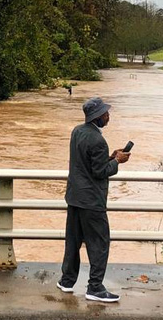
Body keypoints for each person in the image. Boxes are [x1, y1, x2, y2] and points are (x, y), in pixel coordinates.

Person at [56, 97, 130, 303]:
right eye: (105, 114)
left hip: (74, 197)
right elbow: (99, 172)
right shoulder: (98, 140)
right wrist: (116, 161)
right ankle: (95, 287)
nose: (108, 116)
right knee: (99, 243)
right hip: (91, 201)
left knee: (73, 241)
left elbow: (85, 162)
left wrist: (109, 156)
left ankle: (67, 281)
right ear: (97, 117)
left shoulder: (77, 132)